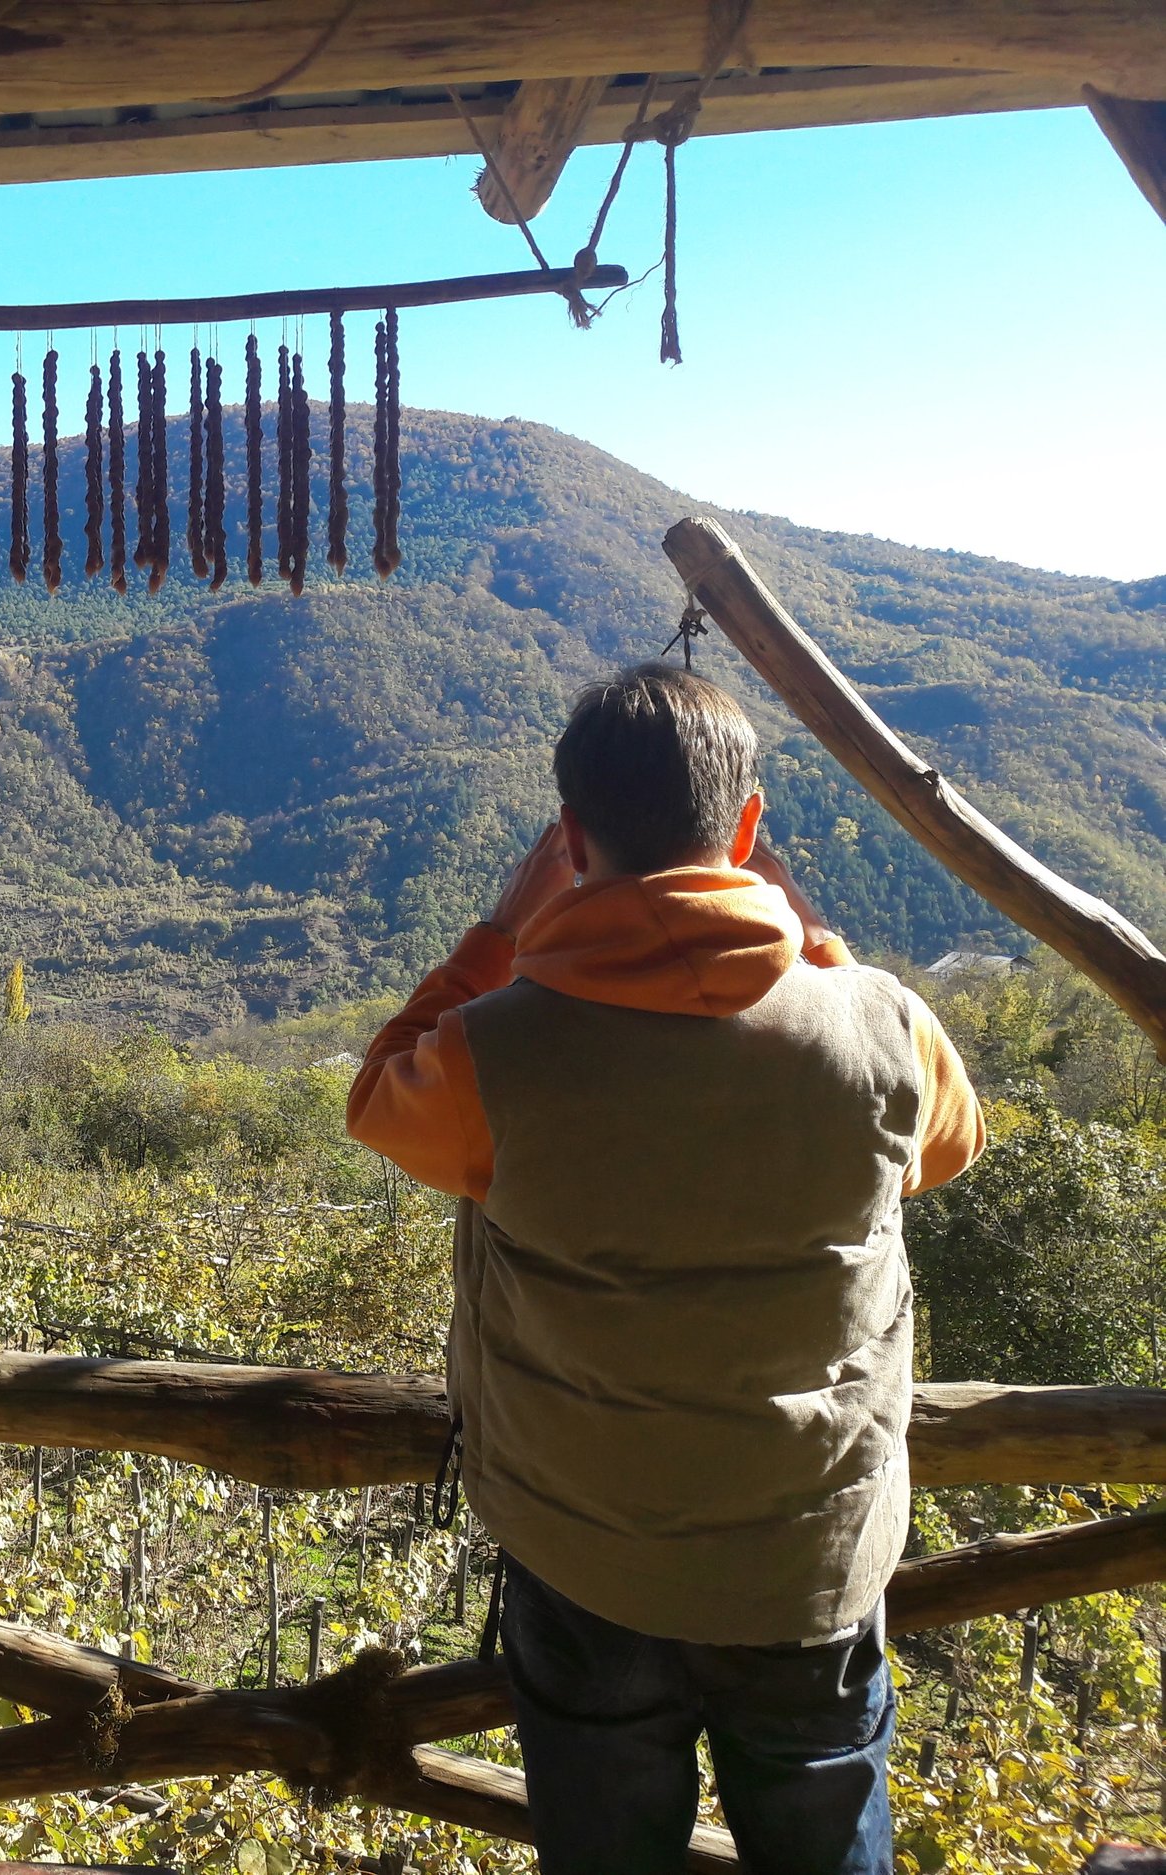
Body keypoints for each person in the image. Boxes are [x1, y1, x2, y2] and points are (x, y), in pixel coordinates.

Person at [347, 664, 984, 1875]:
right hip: (809, 1554)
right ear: (744, 833)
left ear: (569, 840)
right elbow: (941, 1150)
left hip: (586, 1547)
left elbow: (377, 1095)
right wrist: (819, 949)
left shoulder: (497, 1053)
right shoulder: (885, 1025)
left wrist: (495, 934)